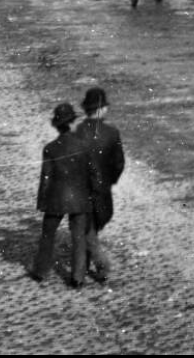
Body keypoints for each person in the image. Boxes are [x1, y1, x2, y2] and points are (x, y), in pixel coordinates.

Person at [30, 102, 95, 286]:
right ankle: (78, 277)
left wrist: (42, 203)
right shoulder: (84, 145)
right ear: (72, 122)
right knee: (79, 237)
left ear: (57, 125)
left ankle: (41, 271)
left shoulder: (50, 148)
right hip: (80, 198)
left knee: (47, 235)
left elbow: (46, 178)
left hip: (55, 199)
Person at [79, 87, 124, 284]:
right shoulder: (112, 133)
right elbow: (119, 164)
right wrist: (109, 180)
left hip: (83, 189)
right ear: (101, 110)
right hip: (103, 191)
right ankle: (94, 264)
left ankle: (97, 264)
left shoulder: (79, 132)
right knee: (93, 226)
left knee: (86, 228)